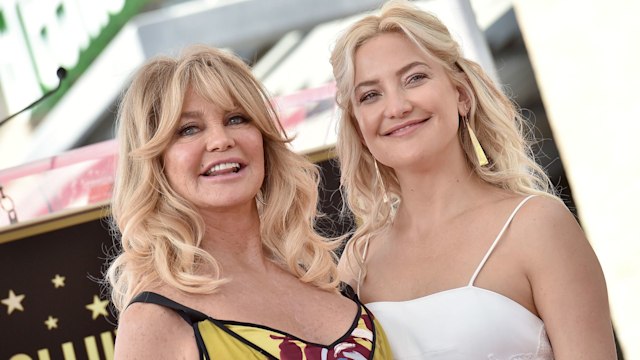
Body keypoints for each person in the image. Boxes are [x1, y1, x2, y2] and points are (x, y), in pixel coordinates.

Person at [329, 1, 617, 358]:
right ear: (359, 126)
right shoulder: (358, 262)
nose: (397, 107)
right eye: (370, 95)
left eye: (414, 78)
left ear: (461, 95)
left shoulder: (537, 226)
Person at [106, 45, 391, 359]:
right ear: (155, 163)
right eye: (188, 129)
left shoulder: (325, 278)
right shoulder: (156, 322)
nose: (221, 140)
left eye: (236, 119)